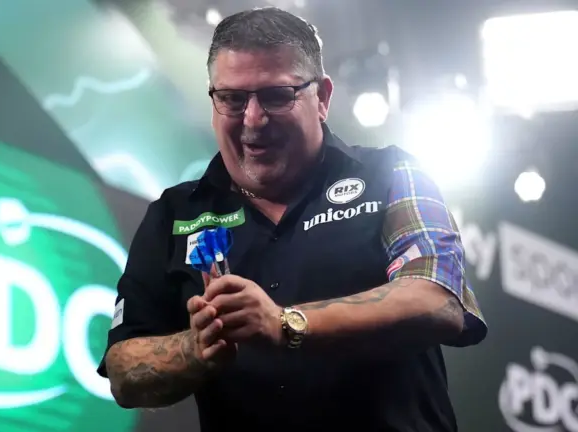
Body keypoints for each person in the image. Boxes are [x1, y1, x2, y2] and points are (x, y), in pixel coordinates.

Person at [97, 6, 487, 431]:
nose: (253, 119)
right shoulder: (174, 214)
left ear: (322, 98)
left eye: (276, 96)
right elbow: (123, 372)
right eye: (232, 99)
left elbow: (437, 300)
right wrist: (198, 346)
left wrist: (284, 323)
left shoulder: (392, 173)